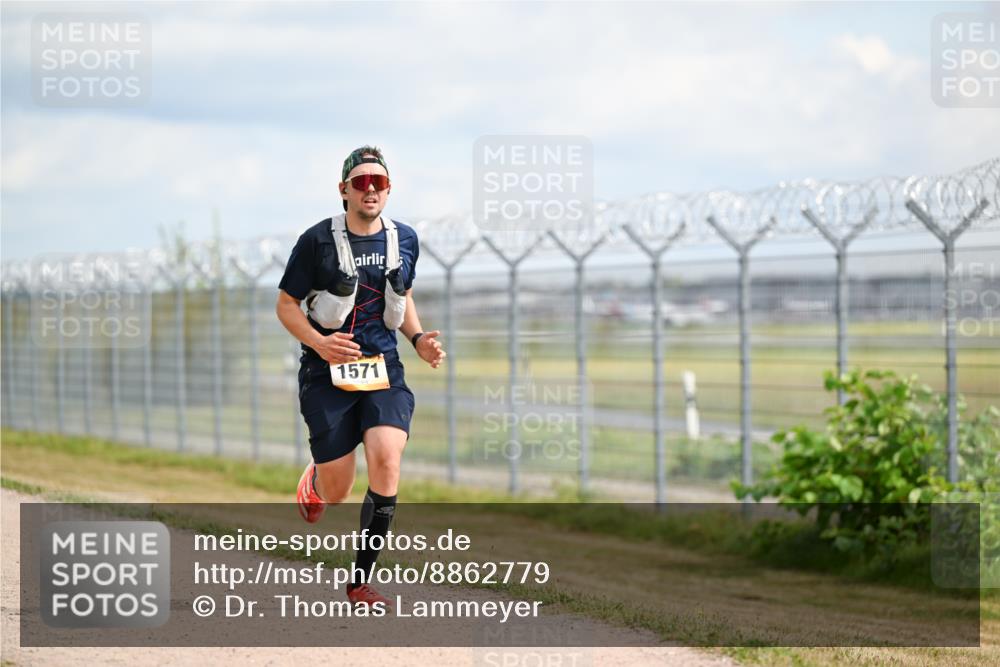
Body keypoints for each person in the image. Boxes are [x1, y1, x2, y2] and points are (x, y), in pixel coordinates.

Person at [275, 145, 445, 607]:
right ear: (344, 190)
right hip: (325, 370)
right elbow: (286, 306)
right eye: (362, 182)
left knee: (387, 457)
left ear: (388, 190)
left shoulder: (404, 238)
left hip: (382, 366)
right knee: (338, 491)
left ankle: (359, 582)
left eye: (380, 182)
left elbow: (403, 296)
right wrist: (319, 342)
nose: (371, 189)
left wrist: (418, 339)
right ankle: (316, 478)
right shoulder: (316, 241)